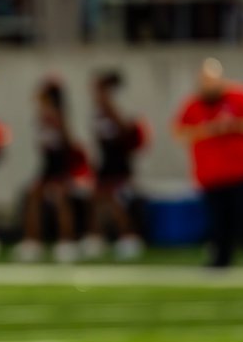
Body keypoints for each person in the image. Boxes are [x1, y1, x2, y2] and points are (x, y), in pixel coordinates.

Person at [173, 59, 243, 269]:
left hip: (242, 171)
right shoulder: (194, 104)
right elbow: (180, 132)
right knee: (218, 222)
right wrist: (209, 129)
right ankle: (221, 259)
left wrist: (232, 125)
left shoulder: (239, 97)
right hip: (211, 174)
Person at [15, 79, 82, 263]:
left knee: (60, 199)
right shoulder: (42, 115)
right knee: (33, 197)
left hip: (60, 164)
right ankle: (32, 241)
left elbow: (68, 142)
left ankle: (66, 242)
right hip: (47, 164)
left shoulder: (57, 115)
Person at [83, 71, 146, 260]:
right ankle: (96, 236)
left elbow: (125, 132)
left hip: (119, 163)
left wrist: (109, 108)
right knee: (97, 200)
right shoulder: (97, 112)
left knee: (115, 200)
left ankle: (129, 237)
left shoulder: (113, 108)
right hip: (105, 162)